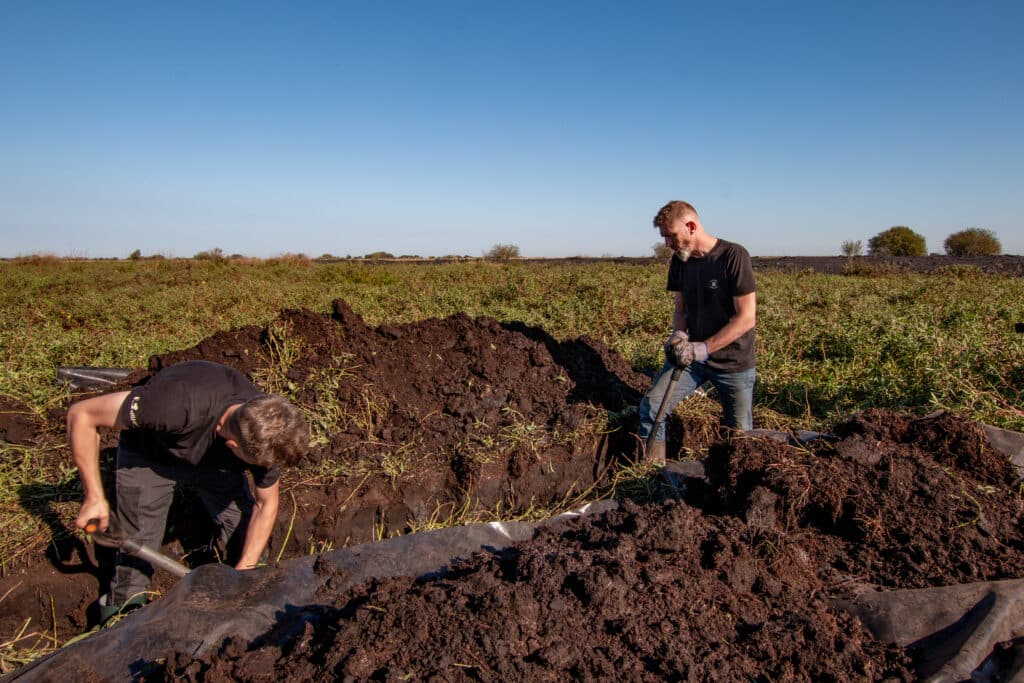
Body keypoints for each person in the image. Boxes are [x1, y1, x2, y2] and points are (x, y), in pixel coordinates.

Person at [66, 359, 309, 620]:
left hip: (215, 465)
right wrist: (94, 496)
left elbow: (266, 503)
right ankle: (123, 611)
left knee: (243, 526)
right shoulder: (172, 405)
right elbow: (82, 414)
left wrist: (245, 568)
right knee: (138, 536)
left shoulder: (267, 431)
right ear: (233, 446)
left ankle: (247, 592)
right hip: (151, 454)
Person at [638, 200, 757, 465]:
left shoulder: (733, 256)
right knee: (653, 406)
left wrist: (703, 348)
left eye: (671, 236)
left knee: (739, 436)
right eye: (665, 238)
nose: (667, 243)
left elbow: (746, 317)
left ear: (691, 226)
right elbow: (681, 309)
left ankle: (731, 487)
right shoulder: (680, 262)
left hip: (734, 364)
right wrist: (679, 336)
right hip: (692, 362)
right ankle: (650, 474)